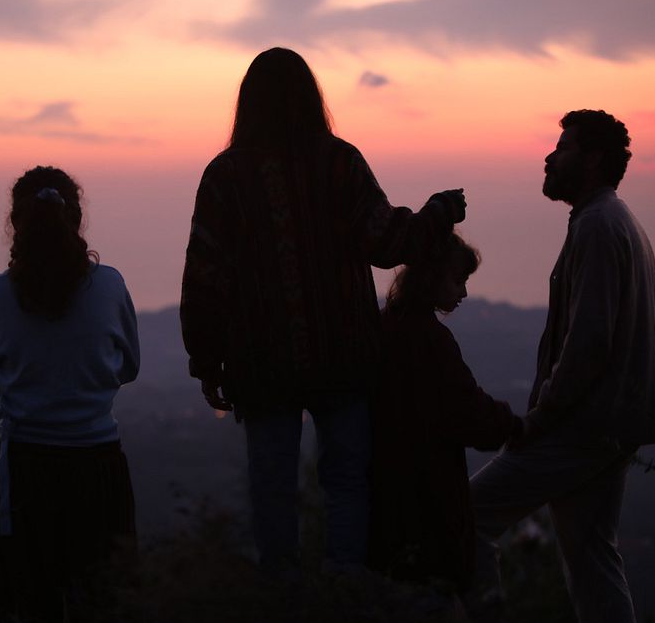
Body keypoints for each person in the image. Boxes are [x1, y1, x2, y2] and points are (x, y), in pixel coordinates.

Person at [180, 47, 467, 574]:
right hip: (344, 356)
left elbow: (205, 277)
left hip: (263, 361)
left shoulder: (225, 176)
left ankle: (284, 607)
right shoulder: (339, 163)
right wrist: (437, 213)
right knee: (346, 482)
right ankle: (346, 597)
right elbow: (386, 241)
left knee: (272, 487)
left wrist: (206, 361)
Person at [470, 110, 655, 623]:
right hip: (609, 428)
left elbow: (588, 344)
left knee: (468, 518)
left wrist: (540, 417)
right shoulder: (614, 222)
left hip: (581, 428)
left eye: (562, 148)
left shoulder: (600, 227)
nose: (550, 158)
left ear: (593, 159)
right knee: (592, 555)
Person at [0, 165, 140, 623]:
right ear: (76, 220)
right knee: (105, 619)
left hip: (23, 475)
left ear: (14, 224)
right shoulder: (110, 285)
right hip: (98, 470)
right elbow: (129, 365)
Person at [368, 233, 521, 593]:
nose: (463, 294)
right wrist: (513, 424)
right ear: (431, 276)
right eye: (458, 281)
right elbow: (467, 411)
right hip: (427, 497)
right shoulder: (431, 340)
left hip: (383, 494)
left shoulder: (381, 328)